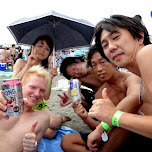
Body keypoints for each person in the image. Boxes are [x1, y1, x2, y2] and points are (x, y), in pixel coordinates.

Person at [88, 14, 152, 149]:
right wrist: (101, 128)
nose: (111, 47)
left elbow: (126, 107)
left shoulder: (147, 53)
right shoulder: (139, 73)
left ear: (140, 37)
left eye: (116, 37)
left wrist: (114, 116)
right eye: (105, 45)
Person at [61, 45, 141, 152]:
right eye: (94, 65)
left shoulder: (131, 78)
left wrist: (100, 129)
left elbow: (135, 97)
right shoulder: (99, 93)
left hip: (135, 132)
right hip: (109, 136)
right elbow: (99, 127)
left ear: (113, 60)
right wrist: (85, 117)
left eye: (102, 62)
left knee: (123, 121)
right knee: (66, 141)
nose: (99, 69)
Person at [1, 35, 70, 139]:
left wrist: (50, 77)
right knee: (50, 133)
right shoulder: (21, 62)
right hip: (19, 103)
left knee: (55, 124)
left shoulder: (44, 70)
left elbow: (45, 97)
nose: (43, 50)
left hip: (37, 104)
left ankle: (62, 118)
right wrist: (28, 65)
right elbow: (10, 86)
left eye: (47, 48)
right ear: (32, 47)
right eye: (40, 46)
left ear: (49, 53)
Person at [0, 65, 50, 151]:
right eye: (33, 87)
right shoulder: (4, 106)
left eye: (42, 90)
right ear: (21, 86)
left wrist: (31, 148)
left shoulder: (43, 119)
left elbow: (33, 149)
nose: (37, 94)